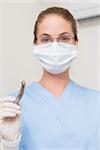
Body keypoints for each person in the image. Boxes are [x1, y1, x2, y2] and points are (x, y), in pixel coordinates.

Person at [0, 6, 100, 150]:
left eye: (64, 38)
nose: (55, 46)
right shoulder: (12, 107)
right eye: (45, 39)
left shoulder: (96, 103)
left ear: (75, 43)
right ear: (35, 44)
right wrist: (8, 144)